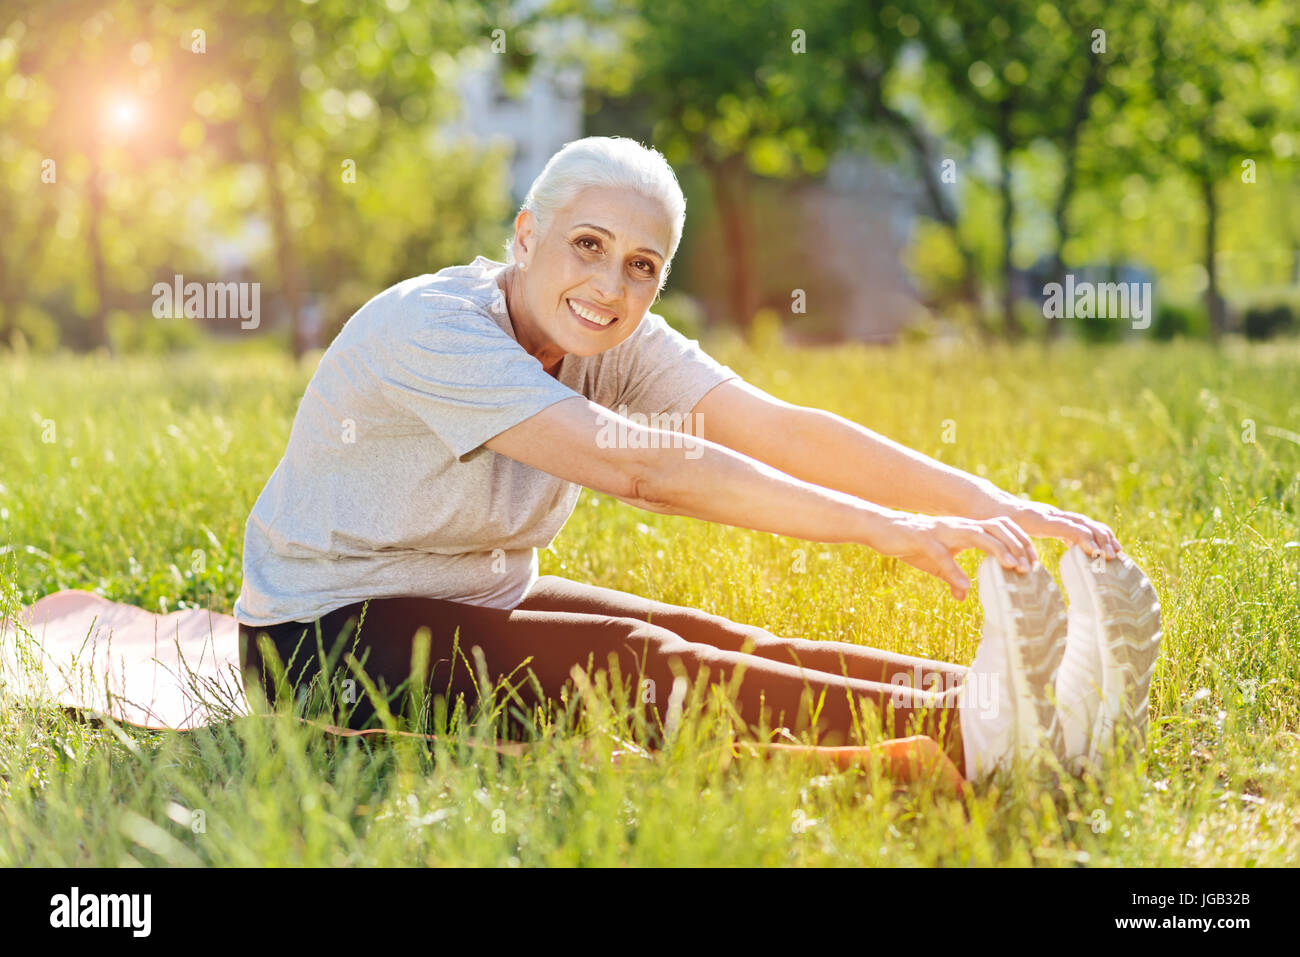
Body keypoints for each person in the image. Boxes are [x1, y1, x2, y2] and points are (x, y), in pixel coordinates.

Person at [234, 136, 1160, 782]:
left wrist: (997, 501)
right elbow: (645, 468)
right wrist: (890, 530)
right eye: (586, 246)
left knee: (713, 636)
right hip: (318, 641)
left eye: (642, 265)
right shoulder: (430, 328)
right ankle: (980, 735)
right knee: (634, 662)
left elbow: (783, 428)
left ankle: (1014, 702)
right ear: (526, 235)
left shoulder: (613, 336)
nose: (609, 286)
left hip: (472, 592)